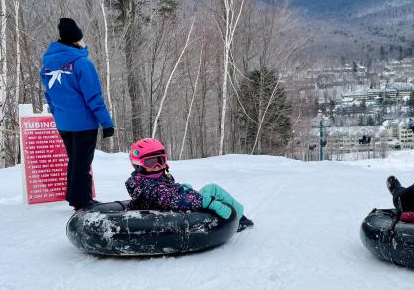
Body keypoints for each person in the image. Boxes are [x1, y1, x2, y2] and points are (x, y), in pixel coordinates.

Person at [40, 18, 114, 211]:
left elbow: (49, 95)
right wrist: (106, 123)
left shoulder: (48, 64)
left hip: (64, 123)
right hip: (84, 124)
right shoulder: (82, 63)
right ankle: (83, 202)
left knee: (74, 161)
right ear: (77, 39)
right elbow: (94, 97)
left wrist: (58, 116)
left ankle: (74, 197)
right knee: (82, 164)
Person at [125, 138, 254, 231]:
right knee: (211, 193)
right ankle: (238, 219)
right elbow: (171, 198)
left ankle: (240, 217)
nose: (157, 166)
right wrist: (206, 202)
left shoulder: (159, 176)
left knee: (212, 188)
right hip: (171, 215)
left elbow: (171, 191)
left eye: (160, 160)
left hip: (180, 206)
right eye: (151, 162)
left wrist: (183, 188)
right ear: (137, 164)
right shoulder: (144, 185)